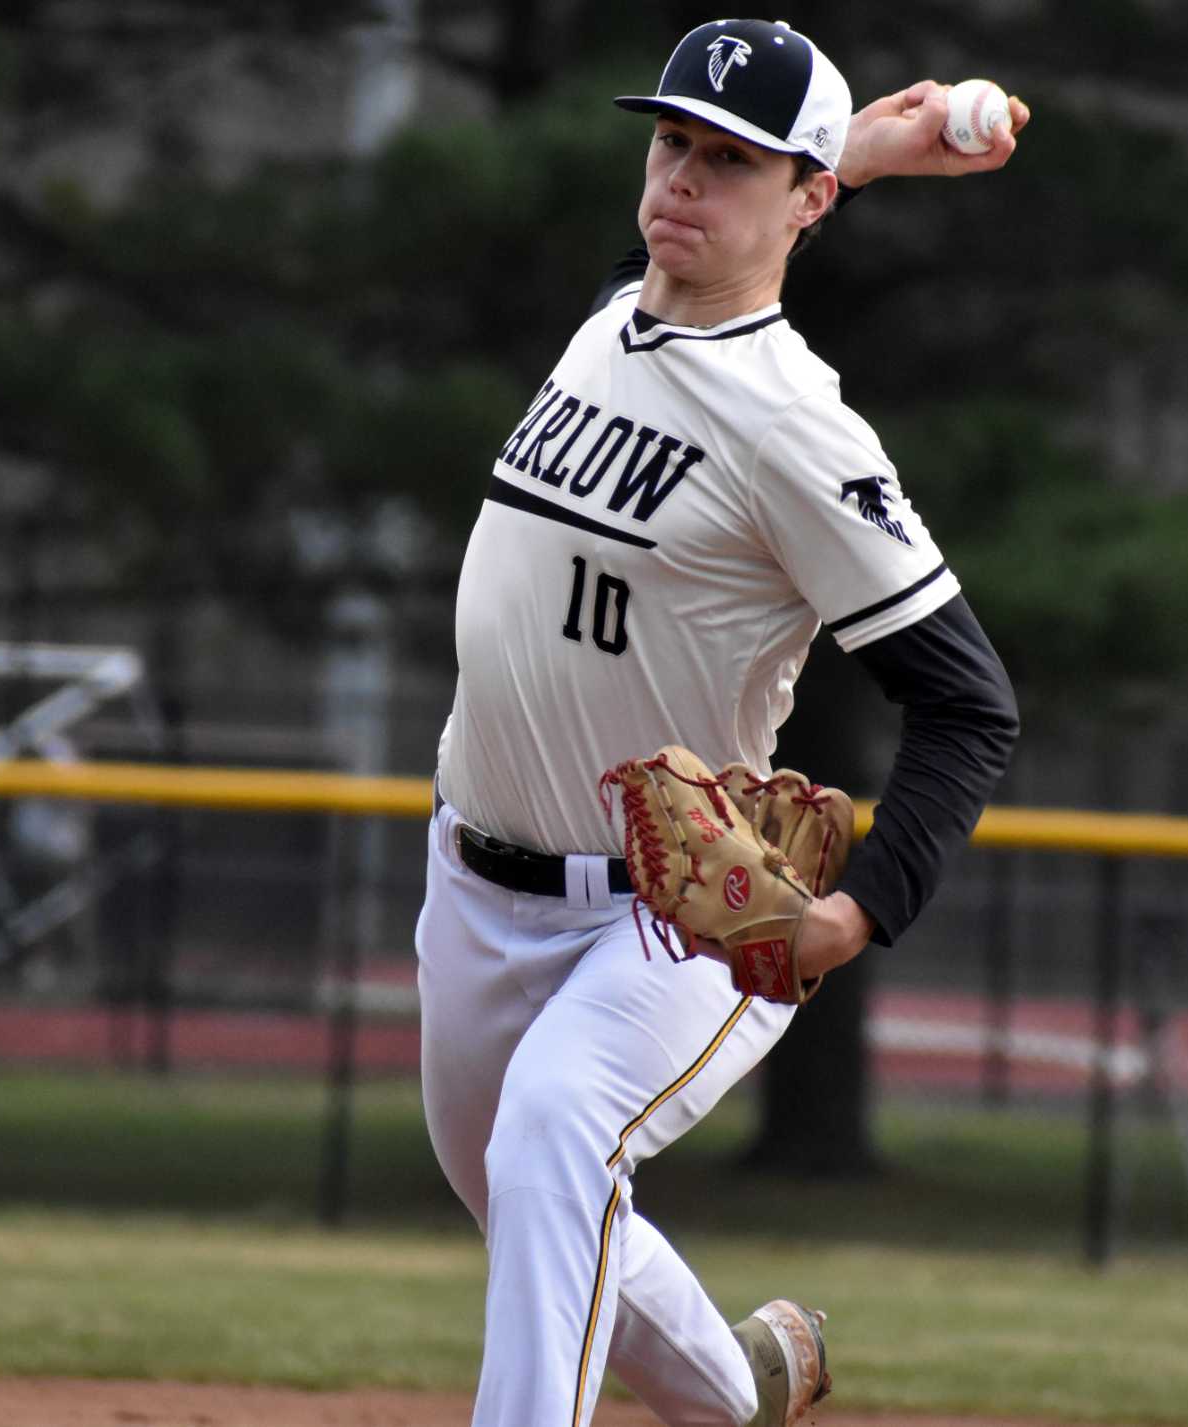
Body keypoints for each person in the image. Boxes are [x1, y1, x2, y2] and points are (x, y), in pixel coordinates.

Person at [416, 19, 1026, 1426]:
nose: (682, 180)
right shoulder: (610, 321)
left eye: (732, 161)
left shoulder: (797, 431)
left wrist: (857, 911)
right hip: (474, 878)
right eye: (673, 142)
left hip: (672, 912)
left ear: (798, 200)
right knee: (516, 1189)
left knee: (558, 1134)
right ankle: (743, 1385)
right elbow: (683, 270)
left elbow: (966, 702)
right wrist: (854, 154)